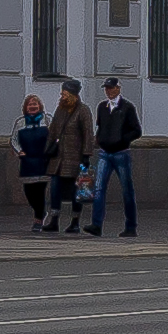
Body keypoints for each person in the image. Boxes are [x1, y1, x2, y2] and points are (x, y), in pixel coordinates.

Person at [92, 75, 144, 237]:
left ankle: (130, 225)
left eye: (111, 88)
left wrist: (122, 140)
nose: (108, 91)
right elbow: (100, 126)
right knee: (99, 188)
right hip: (105, 153)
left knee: (127, 190)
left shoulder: (127, 107)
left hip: (121, 153)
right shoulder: (102, 107)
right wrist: (100, 139)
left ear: (118, 88)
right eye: (106, 88)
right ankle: (96, 224)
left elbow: (136, 130)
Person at [44, 83, 93, 237]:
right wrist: (47, 150)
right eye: (62, 93)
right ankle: (54, 220)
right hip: (58, 157)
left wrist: (86, 154)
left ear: (73, 95)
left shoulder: (83, 110)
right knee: (55, 188)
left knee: (76, 191)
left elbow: (88, 133)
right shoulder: (60, 109)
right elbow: (53, 130)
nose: (62, 96)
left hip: (75, 157)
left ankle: (75, 222)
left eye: (65, 94)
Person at [16, 95, 55, 228]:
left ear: (40, 106)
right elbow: (14, 139)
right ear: (25, 107)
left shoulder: (47, 120)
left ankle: (38, 219)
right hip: (27, 161)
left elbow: (55, 137)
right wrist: (19, 151)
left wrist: (51, 150)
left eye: (35, 104)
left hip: (43, 160)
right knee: (29, 192)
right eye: (30, 105)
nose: (32, 107)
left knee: (40, 191)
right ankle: (40, 211)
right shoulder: (20, 122)